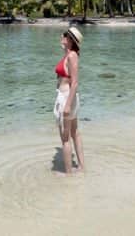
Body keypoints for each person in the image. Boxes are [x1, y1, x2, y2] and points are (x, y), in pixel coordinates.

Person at [53, 26, 84, 174]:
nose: (62, 37)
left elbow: (75, 82)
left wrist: (67, 105)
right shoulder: (69, 55)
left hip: (67, 98)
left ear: (70, 40)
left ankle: (68, 175)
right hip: (68, 97)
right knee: (75, 133)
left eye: (65, 35)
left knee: (65, 138)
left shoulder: (72, 56)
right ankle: (82, 168)